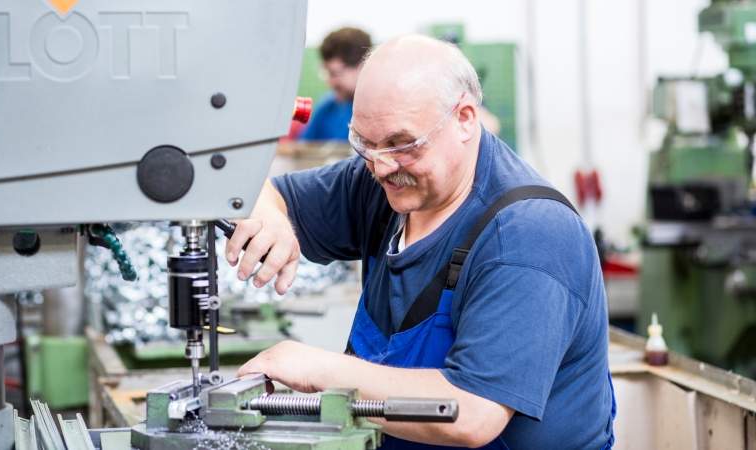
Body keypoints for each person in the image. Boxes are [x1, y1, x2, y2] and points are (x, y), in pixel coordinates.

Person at [227, 35, 615, 450]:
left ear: (465, 118)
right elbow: (272, 193)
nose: (380, 165)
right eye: (365, 143)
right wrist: (270, 213)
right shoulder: (382, 183)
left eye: (402, 144)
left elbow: (472, 413)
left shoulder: (528, 235)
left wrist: (317, 368)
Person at [299, 27, 372, 141]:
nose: (330, 82)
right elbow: (301, 148)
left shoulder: (380, 112)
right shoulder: (327, 107)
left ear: (362, 66)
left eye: (335, 73)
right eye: (327, 72)